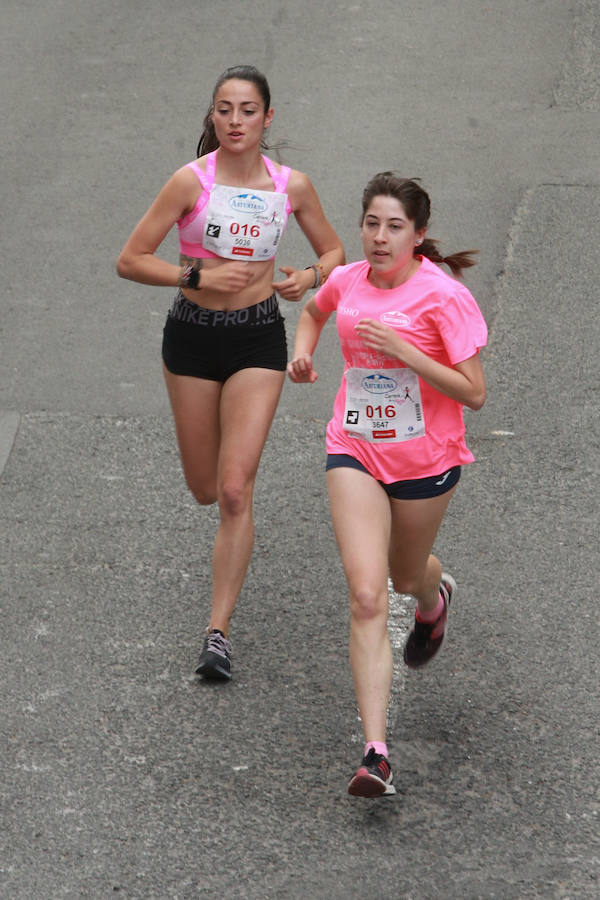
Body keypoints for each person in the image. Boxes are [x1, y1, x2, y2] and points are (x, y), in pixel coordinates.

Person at [117, 65, 344, 681]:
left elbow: (332, 250)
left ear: (268, 118)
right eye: (225, 109)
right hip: (191, 340)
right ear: (212, 116)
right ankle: (222, 559)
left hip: (257, 338)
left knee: (237, 488)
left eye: (248, 110)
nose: (236, 121)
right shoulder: (189, 182)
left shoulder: (290, 186)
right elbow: (130, 260)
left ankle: (217, 632)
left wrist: (309, 278)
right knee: (206, 487)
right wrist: (195, 276)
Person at [287, 172, 487, 797]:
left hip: (426, 462)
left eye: (394, 226)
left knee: (406, 578)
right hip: (355, 450)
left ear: (419, 235)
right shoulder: (348, 281)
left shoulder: (443, 297)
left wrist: (407, 352)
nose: (378, 237)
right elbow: (313, 311)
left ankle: (433, 597)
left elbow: (474, 393)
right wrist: (303, 352)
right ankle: (375, 753)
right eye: (371, 223)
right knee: (369, 595)